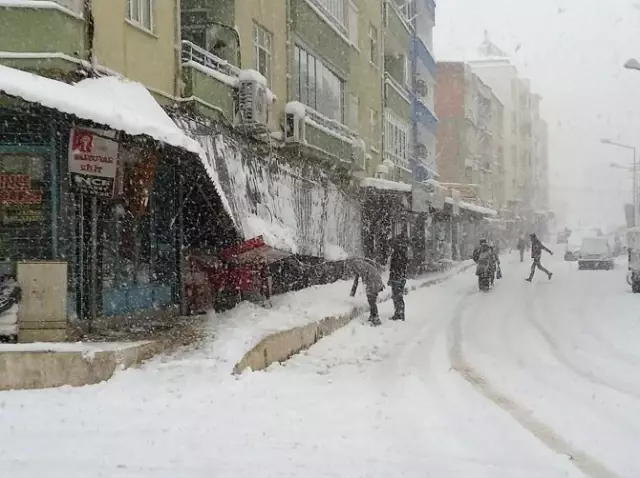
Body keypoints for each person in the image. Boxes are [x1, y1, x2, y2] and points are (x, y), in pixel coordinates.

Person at [346, 258, 385, 326]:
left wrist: (364, 283)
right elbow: (356, 280)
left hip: (373, 281)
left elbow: (364, 272)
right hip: (373, 280)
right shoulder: (356, 265)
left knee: (371, 299)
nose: (349, 271)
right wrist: (352, 294)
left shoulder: (355, 263)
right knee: (371, 298)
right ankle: (373, 316)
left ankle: (375, 318)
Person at [389, 233, 409, 321]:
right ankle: (400, 313)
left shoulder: (397, 254)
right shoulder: (404, 253)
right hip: (401, 277)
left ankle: (398, 314)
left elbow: (394, 267)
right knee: (399, 296)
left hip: (397, 277)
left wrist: (392, 277)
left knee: (397, 296)